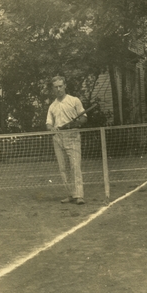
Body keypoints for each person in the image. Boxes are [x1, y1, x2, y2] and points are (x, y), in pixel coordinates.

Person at [46, 76, 87, 205]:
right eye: (56, 87)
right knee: (63, 168)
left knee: (75, 166)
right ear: (53, 89)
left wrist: (74, 125)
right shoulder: (52, 106)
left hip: (72, 136)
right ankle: (70, 194)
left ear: (65, 86)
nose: (58, 89)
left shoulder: (74, 100)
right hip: (58, 138)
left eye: (60, 86)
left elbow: (84, 117)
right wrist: (52, 128)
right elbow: (48, 123)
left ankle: (79, 196)